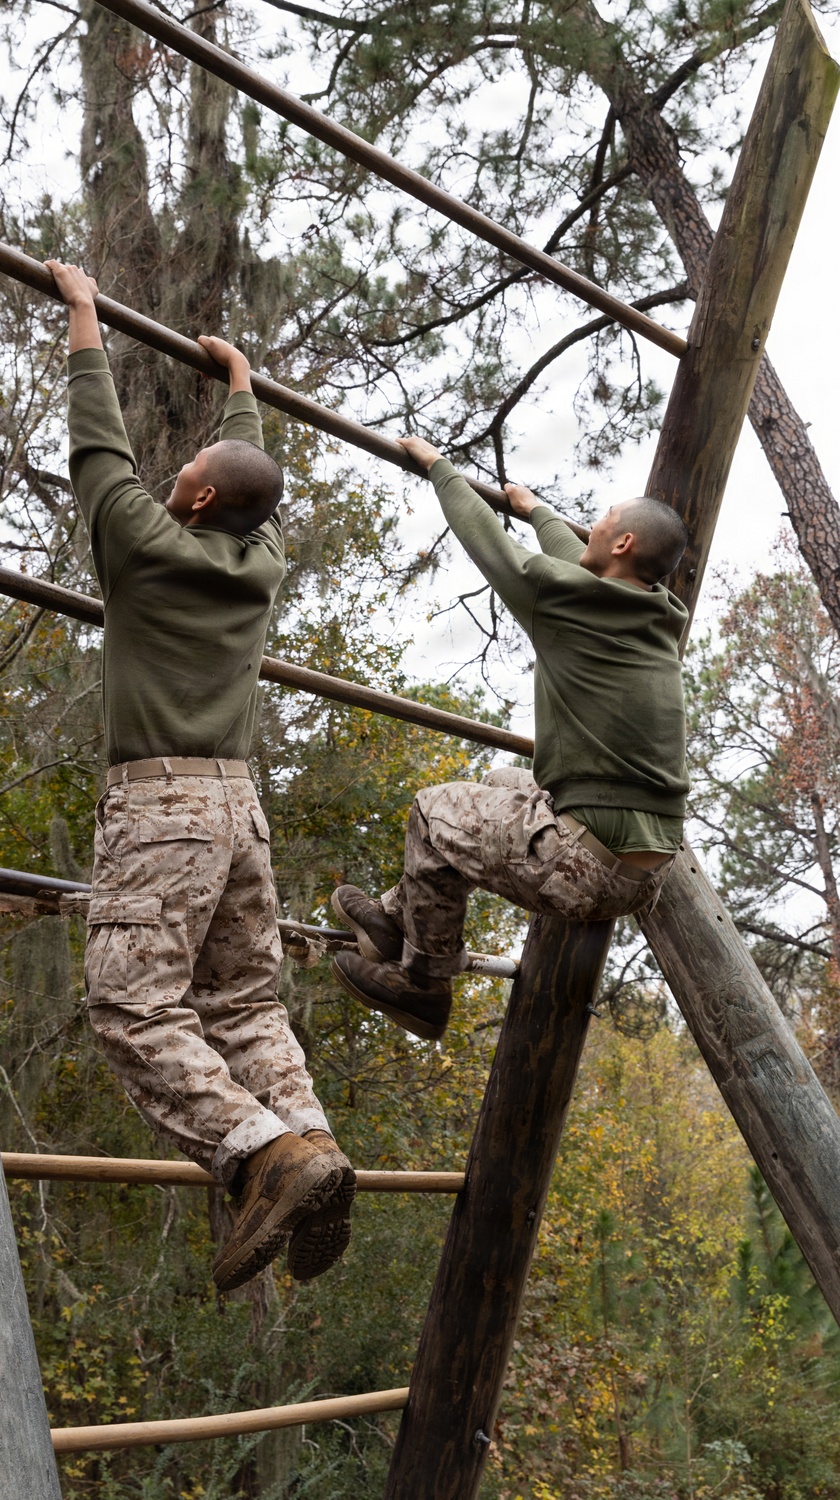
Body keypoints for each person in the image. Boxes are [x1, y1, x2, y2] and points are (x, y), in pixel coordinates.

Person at [45, 259, 353, 1291]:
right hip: (238, 809)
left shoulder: (140, 544)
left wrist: (85, 314)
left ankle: (255, 1154)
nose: (166, 473)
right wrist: (244, 386)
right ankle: (308, 1141)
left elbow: (99, 449)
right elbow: (246, 485)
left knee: (131, 1006)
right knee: (244, 1001)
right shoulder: (256, 567)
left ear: (197, 495)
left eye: (185, 470)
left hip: (162, 805)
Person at [331, 434, 690, 1042]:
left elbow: (495, 551)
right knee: (502, 783)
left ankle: (424, 986)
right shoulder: (651, 611)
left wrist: (439, 469)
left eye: (601, 521)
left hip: (586, 868)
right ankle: (395, 919)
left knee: (432, 810)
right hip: (646, 867)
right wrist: (537, 510)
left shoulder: (568, 596)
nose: (593, 527)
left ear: (623, 542)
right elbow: (574, 564)